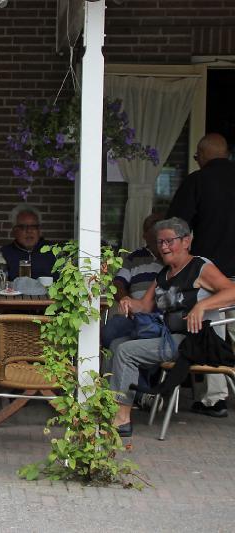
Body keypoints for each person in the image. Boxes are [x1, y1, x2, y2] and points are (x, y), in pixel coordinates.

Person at [108, 217, 235, 437]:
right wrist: (128, 301)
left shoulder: (200, 267)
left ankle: (121, 418)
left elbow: (231, 291)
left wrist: (202, 306)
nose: (164, 247)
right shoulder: (163, 275)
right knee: (117, 342)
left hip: (196, 341)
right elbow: (145, 306)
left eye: (170, 241)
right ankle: (115, 406)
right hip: (170, 338)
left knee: (126, 351)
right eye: (160, 242)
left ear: (186, 241)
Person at [166, 133, 235, 416]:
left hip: (213, 274)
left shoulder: (198, 181)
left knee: (213, 332)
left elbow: (175, 225)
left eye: (196, 157)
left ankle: (214, 399)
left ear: (203, 155)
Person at [101, 212, 164, 348]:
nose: (155, 233)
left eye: (158, 228)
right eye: (151, 229)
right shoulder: (134, 258)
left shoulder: (170, 257)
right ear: (144, 235)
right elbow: (117, 284)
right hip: (135, 314)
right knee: (110, 330)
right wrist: (127, 302)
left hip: (160, 315)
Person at [0, 204, 56, 281]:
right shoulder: (5, 254)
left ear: (39, 230)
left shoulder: (54, 251)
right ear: (14, 231)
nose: (29, 231)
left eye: (33, 226)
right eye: (23, 227)